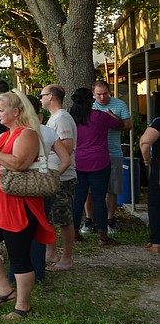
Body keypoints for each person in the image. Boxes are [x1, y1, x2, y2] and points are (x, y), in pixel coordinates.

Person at [0, 91, 57, 319]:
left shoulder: (28, 134)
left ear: (16, 112)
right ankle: (5, 290)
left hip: (19, 205)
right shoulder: (4, 135)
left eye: (2, 110)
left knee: (19, 257)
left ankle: (23, 307)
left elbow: (19, 164)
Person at [69, 87, 123, 246]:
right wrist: (111, 114)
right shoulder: (100, 116)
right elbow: (119, 124)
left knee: (78, 199)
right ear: (91, 101)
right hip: (100, 162)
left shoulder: (72, 119)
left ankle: (75, 233)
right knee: (100, 199)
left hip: (79, 161)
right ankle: (103, 236)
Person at [82, 80, 132, 235]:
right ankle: (89, 219)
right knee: (89, 189)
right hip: (93, 153)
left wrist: (112, 118)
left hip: (113, 151)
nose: (102, 97)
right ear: (93, 93)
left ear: (109, 92)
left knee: (112, 188)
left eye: (105, 94)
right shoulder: (89, 106)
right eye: (99, 94)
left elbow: (128, 125)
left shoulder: (119, 104)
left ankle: (110, 220)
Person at [40, 85, 79, 271]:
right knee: (50, 216)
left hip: (62, 176)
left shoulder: (62, 118)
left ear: (51, 97)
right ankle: (52, 253)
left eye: (42, 95)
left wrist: (56, 173)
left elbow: (67, 149)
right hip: (54, 175)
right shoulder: (55, 118)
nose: (40, 99)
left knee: (64, 218)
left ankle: (67, 258)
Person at [139, 116, 160, 254]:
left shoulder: (158, 122)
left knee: (155, 204)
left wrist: (147, 160)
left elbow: (145, 142)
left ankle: (157, 242)